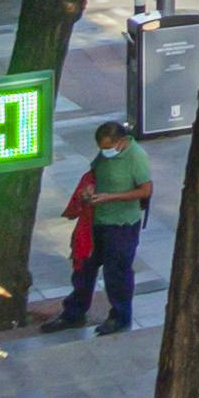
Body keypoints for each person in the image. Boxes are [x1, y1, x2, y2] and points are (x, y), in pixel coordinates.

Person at [56, 121, 155, 335]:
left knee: (116, 272)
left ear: (121, 141)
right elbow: (94, 173)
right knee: (84, 268)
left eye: (108, 147)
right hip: (97, 221)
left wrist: (111, 197)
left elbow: (145, 190)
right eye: (101, 148)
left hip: (121, 225)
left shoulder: (136, 157)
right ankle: (74, 312)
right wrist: (89, 189)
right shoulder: (104, 155)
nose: (105, 152)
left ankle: (120, 316)